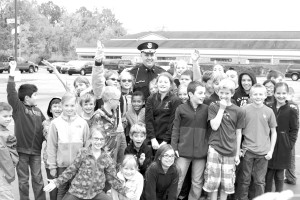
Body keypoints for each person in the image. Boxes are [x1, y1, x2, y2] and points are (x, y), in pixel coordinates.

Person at [44, 126, 135, 200]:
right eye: (96, 139)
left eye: (101, 139)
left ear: (105, 141)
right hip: (76, 192)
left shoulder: (107, 159)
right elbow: (71, 170)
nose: (98, 142)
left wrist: (125, 192)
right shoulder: (83, 153)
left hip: (95, 194)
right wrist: (56, 182)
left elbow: (112, 179)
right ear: (91, 139)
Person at [7, 61, 46, 200]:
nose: (37, 97)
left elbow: (46, 128)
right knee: (23, 181)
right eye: (35, 95)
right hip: (21, 152)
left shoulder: (38, 111)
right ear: (27, 98)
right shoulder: (19, 109)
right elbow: (11, 93)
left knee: (38, 180)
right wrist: (12, 72)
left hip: (36, 152)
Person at [203, 79, 245, 200]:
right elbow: (214, 126)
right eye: (221, 92)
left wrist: (237, 154)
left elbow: (238, 133)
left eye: (227, 93)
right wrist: (221, 109)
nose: (224, 95)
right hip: (215, 149)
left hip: (230, 151)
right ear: (218, 92)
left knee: (226, 184)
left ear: (232, 94)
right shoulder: (213, 106)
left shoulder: (239, 111)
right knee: (213, 183)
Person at [47, 92, 90, 200]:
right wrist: (52, 166)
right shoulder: (55, 123)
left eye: (72, 105)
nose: (69, 108)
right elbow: (51, 146)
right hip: (62, 166)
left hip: (79, 166)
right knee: (62, 191)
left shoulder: (83, 123)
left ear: (76, 105)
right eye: (66, 105)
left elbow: (87, 145)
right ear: (61, 106)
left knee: (78, 192)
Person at [238, 83, 277, 200]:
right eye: (255, 94)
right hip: (247, 151)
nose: (258, 96)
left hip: (263, 153)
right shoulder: (244, 110)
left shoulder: (269, 112)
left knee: (260, 181)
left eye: (261, 94)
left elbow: (273, 132)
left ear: (265, 95)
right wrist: (238, 149)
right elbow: (238, 131)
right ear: (250, 95)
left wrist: (271, 151)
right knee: (245, 180)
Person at [171, 81, 209, 200]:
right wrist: (174, 147)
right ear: (191, 94)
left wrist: (207, 147)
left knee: (197, 182)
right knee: (178, 180)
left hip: (201, 153)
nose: (203, 95)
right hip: (182, 152)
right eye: (200, 93)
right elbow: (175, 129)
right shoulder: (181, 109)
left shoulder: (207, 109)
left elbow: (210, 131)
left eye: (204, 93)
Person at [265, 82, 299, 192]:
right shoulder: (269, 108)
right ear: (274, 94)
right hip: (269, 145)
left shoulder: (291, 110)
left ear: (287, 94)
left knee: (279, 175)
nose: (281, 95)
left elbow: (294, 129)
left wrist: (289, 144)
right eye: (278, 93)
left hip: (284, 147)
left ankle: (279, 195)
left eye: (284, 93)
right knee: (268, 175)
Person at [89, 86, 125, 164]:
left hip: (112, 155)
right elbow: (93, 139)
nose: (119, 102)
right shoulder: (98, 116)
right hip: (101, 157)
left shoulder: (114, 113)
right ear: (111, 101)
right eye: (117, 100)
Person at [145, 72, 182, 150]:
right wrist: (152, 139)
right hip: (152, 139)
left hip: (167, 139)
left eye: (166, 82)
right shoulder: (150, 99)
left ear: (171, 85)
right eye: (160, 82)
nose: (163, 84)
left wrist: (165, 141)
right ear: (157, 84)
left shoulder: (175, 100)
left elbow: (173, 122)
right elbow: (148, 120)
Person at [42, 97, 62, 200]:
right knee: (52, 187)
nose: (58, 108)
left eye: (60, 106)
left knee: (63, 187)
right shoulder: (46, 123)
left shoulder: (68, 122)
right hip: (50, 160)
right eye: (55, 106)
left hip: (64, 159)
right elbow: (50, 137)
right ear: (50, 109)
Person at [0, 102, 18, 200]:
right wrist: (10, 174)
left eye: (10, 116)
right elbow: (5, 157)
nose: (8, 118)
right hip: (3, 171)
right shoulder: (3, 134)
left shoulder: (5, 132)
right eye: (5, 116)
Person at [285, 87, 297, 185]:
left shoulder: (292, 105)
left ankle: (291, 177)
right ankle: (291, 177)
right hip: (289, 133)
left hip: (289, 134)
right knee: (290, 156)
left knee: (290, 156)